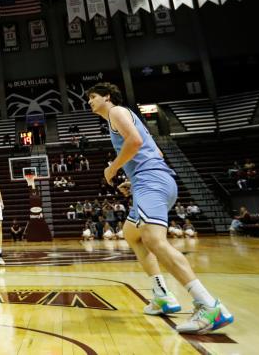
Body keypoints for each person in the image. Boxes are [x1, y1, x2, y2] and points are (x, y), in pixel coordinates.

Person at [88, 82, 233, 334]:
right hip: (154, 180)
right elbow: (155, 152)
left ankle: (209, 305)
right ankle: (162, 295)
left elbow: (133, 142)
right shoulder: (124, 116)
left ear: (107, 97)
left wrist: (112, 169)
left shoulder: (117, 112)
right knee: (132, 233)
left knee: (154, 241)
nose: (89, 101)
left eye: (92, 97)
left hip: (151, 181)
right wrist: (133, 180)